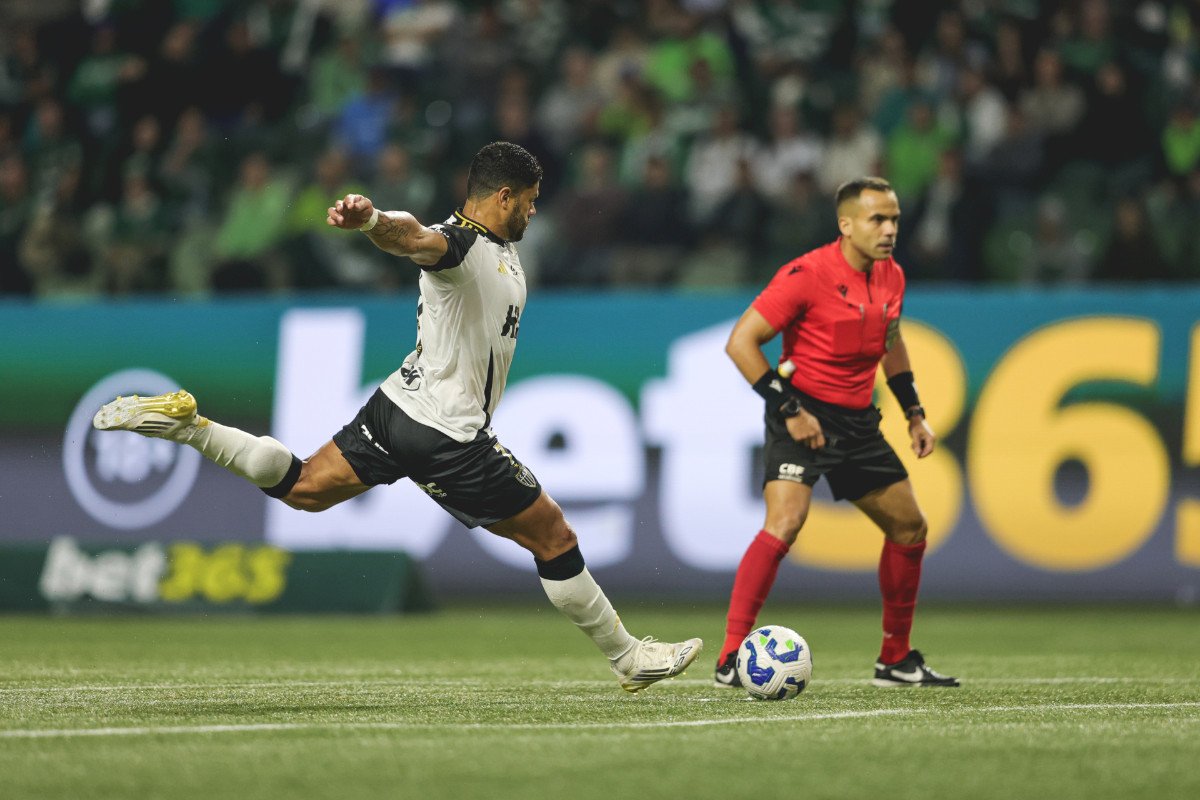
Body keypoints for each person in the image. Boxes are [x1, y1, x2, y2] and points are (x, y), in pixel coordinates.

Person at [93, 141, 702, 693]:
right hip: (449, 434)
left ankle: (187, 426)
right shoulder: (461, 244)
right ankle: (627, 658)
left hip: (398, 407)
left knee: (303, 488)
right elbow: (415, 239)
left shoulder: (498, 248)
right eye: (531, 202)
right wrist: (374, 221)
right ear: (504, 196)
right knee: (555, 537)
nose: (535, 213)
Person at [712, 177, 959, 689]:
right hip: (800, 414)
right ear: (846, 225)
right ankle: (730, 657)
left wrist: (914, 410)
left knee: (911, 529)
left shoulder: (892, 276)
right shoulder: (806, 274)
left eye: (894, 219)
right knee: (785, 523)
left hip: (857, 422)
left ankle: (895, 659)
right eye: (877, 220)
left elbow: (892, 340)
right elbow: (741, 342)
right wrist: (789, 409)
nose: (889, 229)